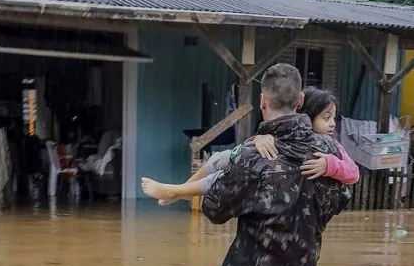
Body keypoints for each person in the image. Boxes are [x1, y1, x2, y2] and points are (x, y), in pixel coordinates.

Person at [146, 63, 352, 266]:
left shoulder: (252, 155)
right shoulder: (329, 151)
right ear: (301, 101)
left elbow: (214, 209)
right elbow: (342, 198)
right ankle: (175, 190)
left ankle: (175, 190)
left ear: (263, 101)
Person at [141, 87, 359, 203]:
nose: (331, 124)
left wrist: (329, 165)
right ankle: (179, 191)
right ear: (305, 113)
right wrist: (258, 138)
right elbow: (252, 149)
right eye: (326, 117)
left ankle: (177, 192)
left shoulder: (331, 147)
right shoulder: (284, 134)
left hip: (285, 191)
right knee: (224, 157)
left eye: (333, 118)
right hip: (279, 186)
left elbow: (353, 173)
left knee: (225, 175)